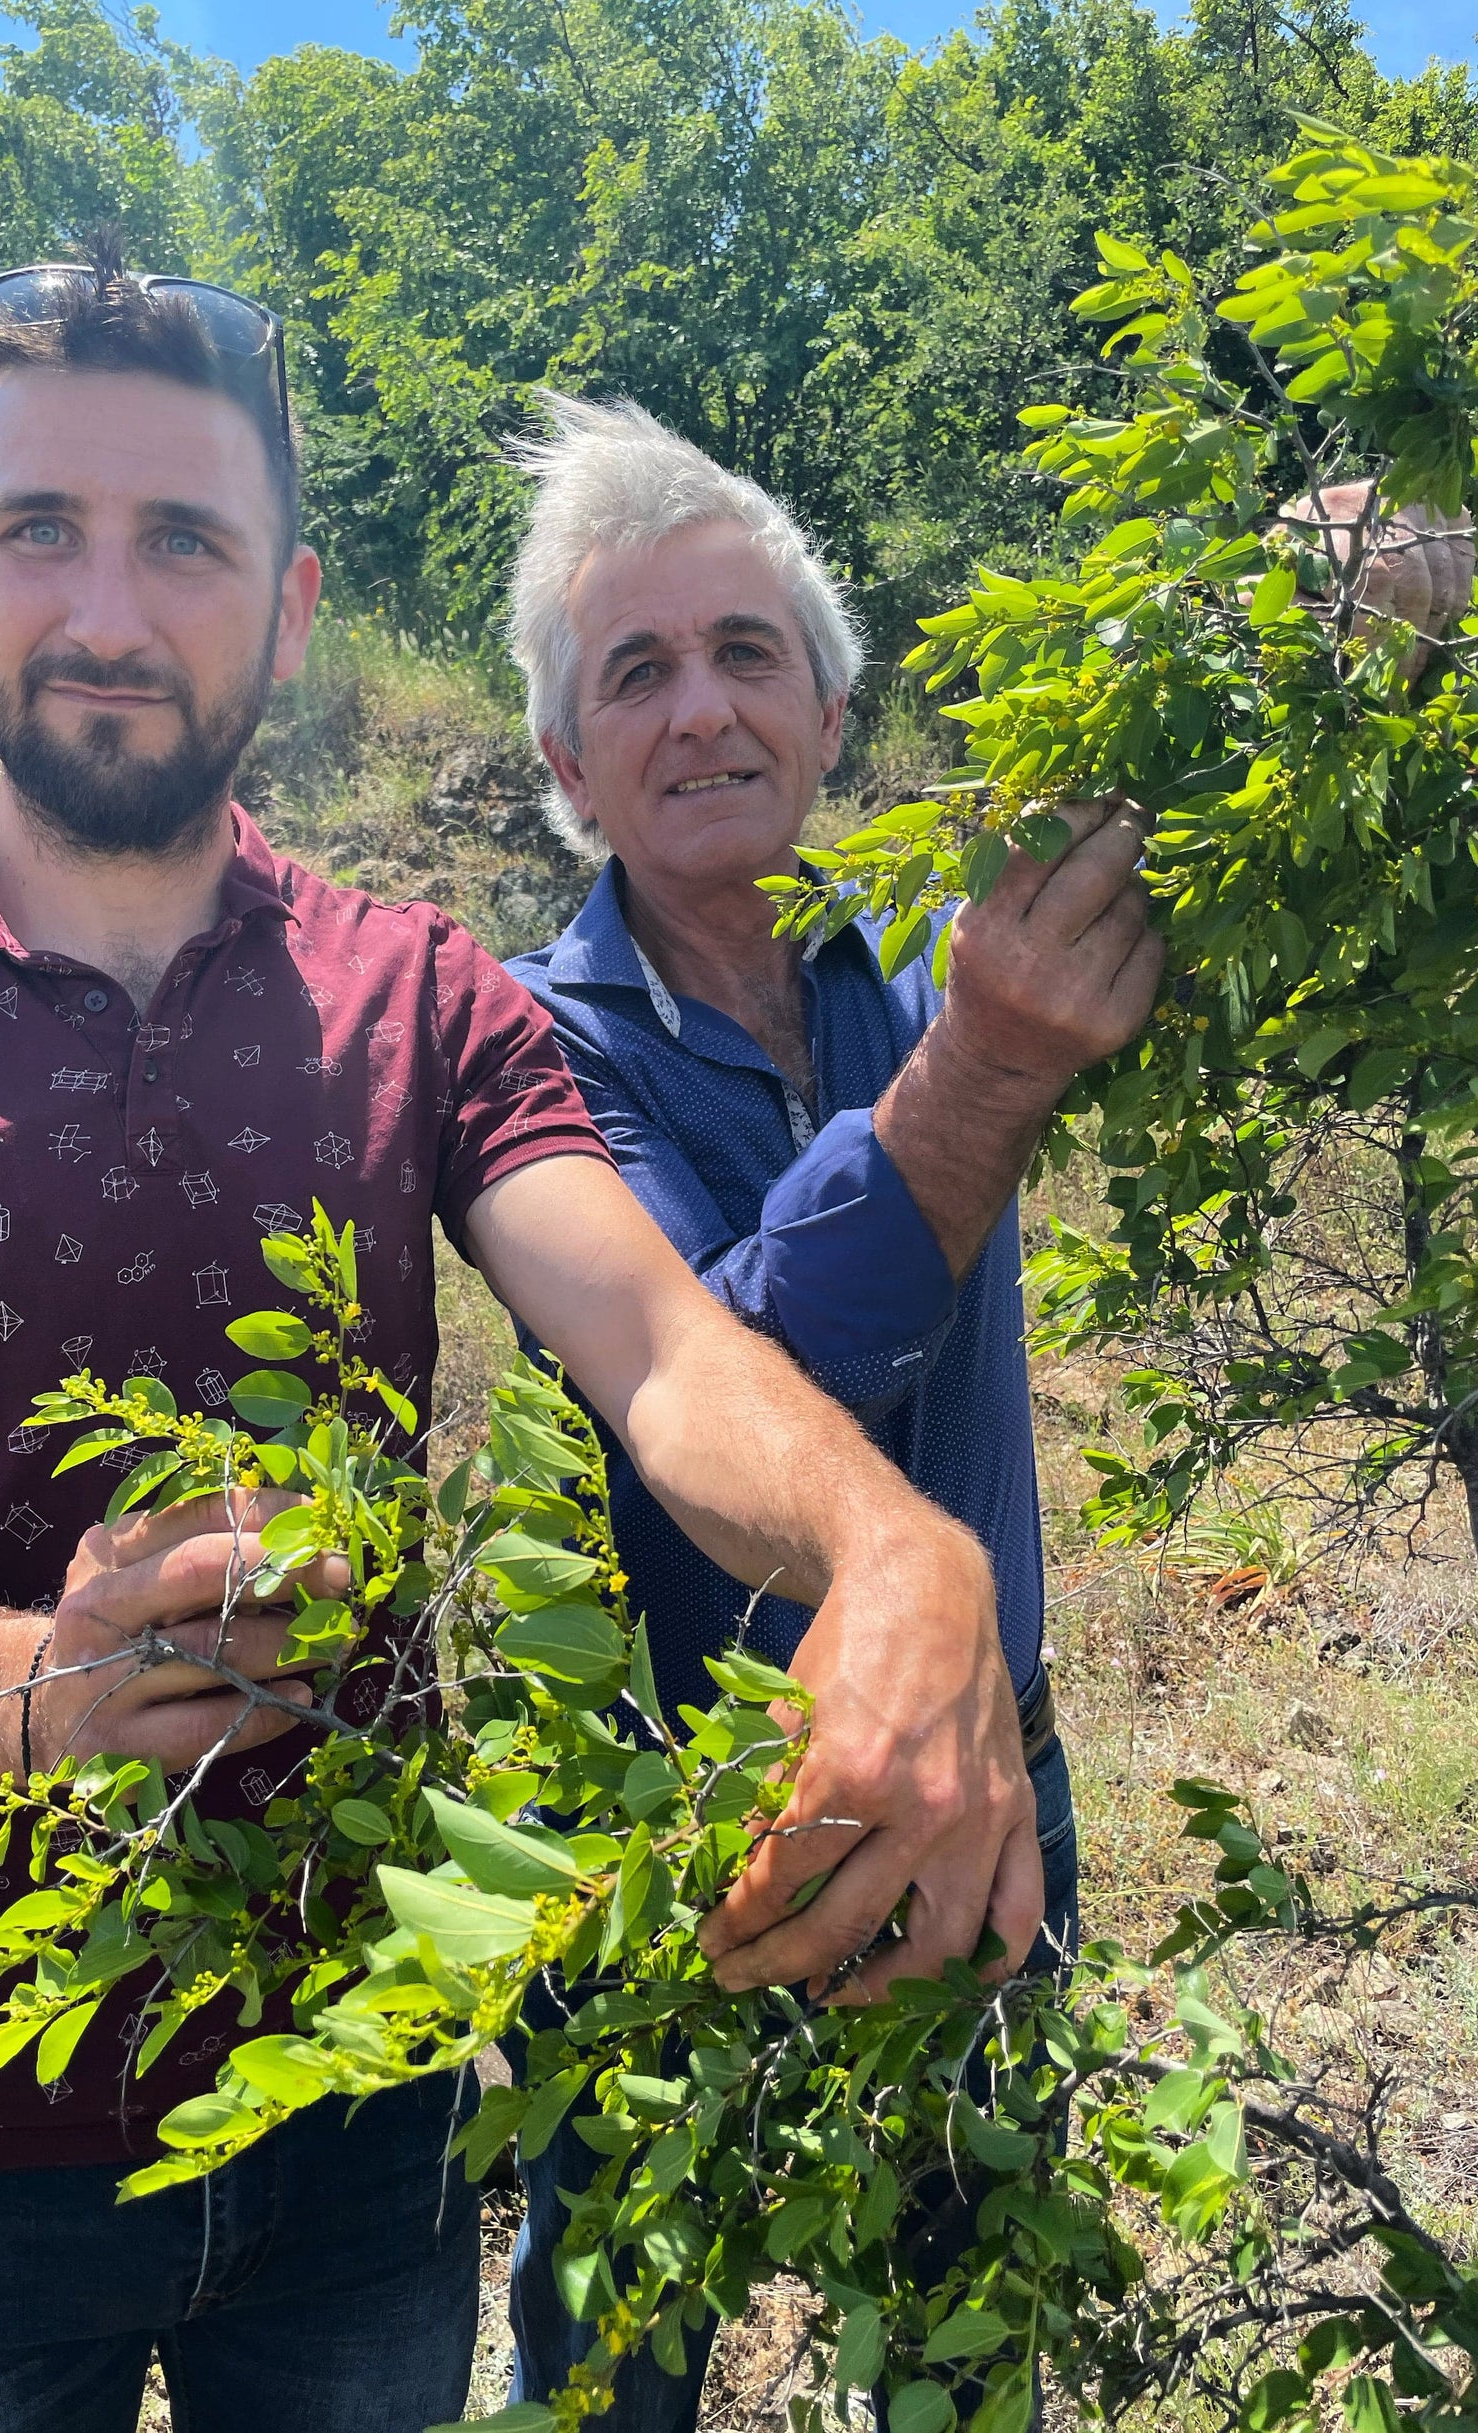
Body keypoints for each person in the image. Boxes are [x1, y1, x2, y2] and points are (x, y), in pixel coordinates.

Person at [0, 257, 1038, 2433]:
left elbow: (662, 1345)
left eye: (185, 542)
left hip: (360, 2109)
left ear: (291, 609)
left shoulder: (418, 1000)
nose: (109, 610)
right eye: (41, 529)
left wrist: (898, 1549)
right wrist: (46, 1691)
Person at [501, 392, 1164, 2428]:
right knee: (613, 2360)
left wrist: (1334, 579)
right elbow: (725, 1357)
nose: (700, 708)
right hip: (661, 1827)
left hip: (978, 1770)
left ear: (830, 708)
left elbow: (1182, 807)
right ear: (565, 764)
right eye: (635, 672)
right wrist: (982, 1071)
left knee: (967, 2336)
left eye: (745, 652)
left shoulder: (946, 945)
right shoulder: (525, 1046)